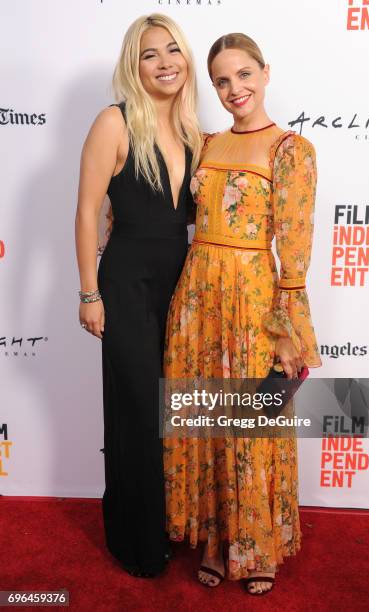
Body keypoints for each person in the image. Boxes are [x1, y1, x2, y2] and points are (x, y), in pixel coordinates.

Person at [163, 33, 322, 595]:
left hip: (253, 302)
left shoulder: (290, 150)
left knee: (253, 424)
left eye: (244, 75)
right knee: (208, 421)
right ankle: (214, 539)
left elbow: (295, 252)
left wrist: (288, 330)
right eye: (223, 81)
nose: (236, 89)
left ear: (265, 73)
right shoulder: (205, 144)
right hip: (197, 297)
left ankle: (255, 548)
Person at [75, 13, 201, 577]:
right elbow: (85, 211)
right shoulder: (115, 121)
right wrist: (88, 292)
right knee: (136, 412)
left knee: (173, 410)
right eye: (151, 53)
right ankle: (134, 539)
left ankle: (169, 524)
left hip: (183, 281)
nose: (165, 62)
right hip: (125, 283)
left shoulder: (198, 132)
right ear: (134, 63)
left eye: (173, 50)